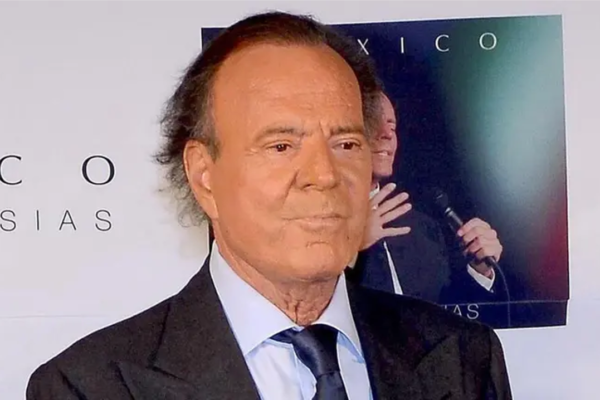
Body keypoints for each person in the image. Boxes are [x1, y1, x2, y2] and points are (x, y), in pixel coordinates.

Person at [26, 12, 512, 399]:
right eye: (281, 146)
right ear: (204, 175)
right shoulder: (91, 387)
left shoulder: (463, 358)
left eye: (346, 144)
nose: (324, 174)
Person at [349, 92, 505, 304]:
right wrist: (352, 249)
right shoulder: (317, 226)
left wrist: (480, 270)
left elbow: (448, 313)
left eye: (392, 127)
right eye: (373, 122)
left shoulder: (422, 229)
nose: (387, 134)